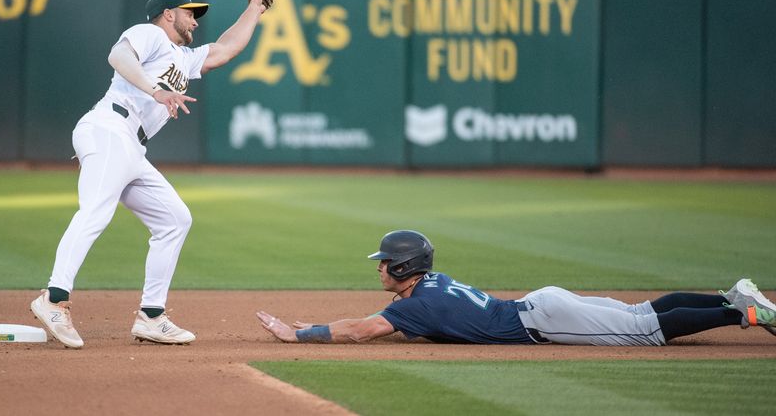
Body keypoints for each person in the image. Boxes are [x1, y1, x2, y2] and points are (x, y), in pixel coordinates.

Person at [32, 0, 267, 348]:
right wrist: (156, 91)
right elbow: (118, 55)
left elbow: (225, 49)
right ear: (168, 14)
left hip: (130, 146)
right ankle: (54, 298)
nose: (195, 19)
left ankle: (151, 317)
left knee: (174, 220)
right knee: (95, 212)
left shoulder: (183, 57)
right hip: (109, 127)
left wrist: (256, 6)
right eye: (189, 12)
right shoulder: (151, 34)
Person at [257, 230, 776, 345]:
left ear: (404, 268)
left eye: (384, 263)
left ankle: (746, 313)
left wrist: (300, 336)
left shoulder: (418, 305)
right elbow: (391, 319)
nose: (378, 269)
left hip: (544, 319)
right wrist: (319, 324)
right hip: (541, 305)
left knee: (645, 329)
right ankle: (732, 296)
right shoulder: (428, 287)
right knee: (641, 310)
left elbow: (365, 329)